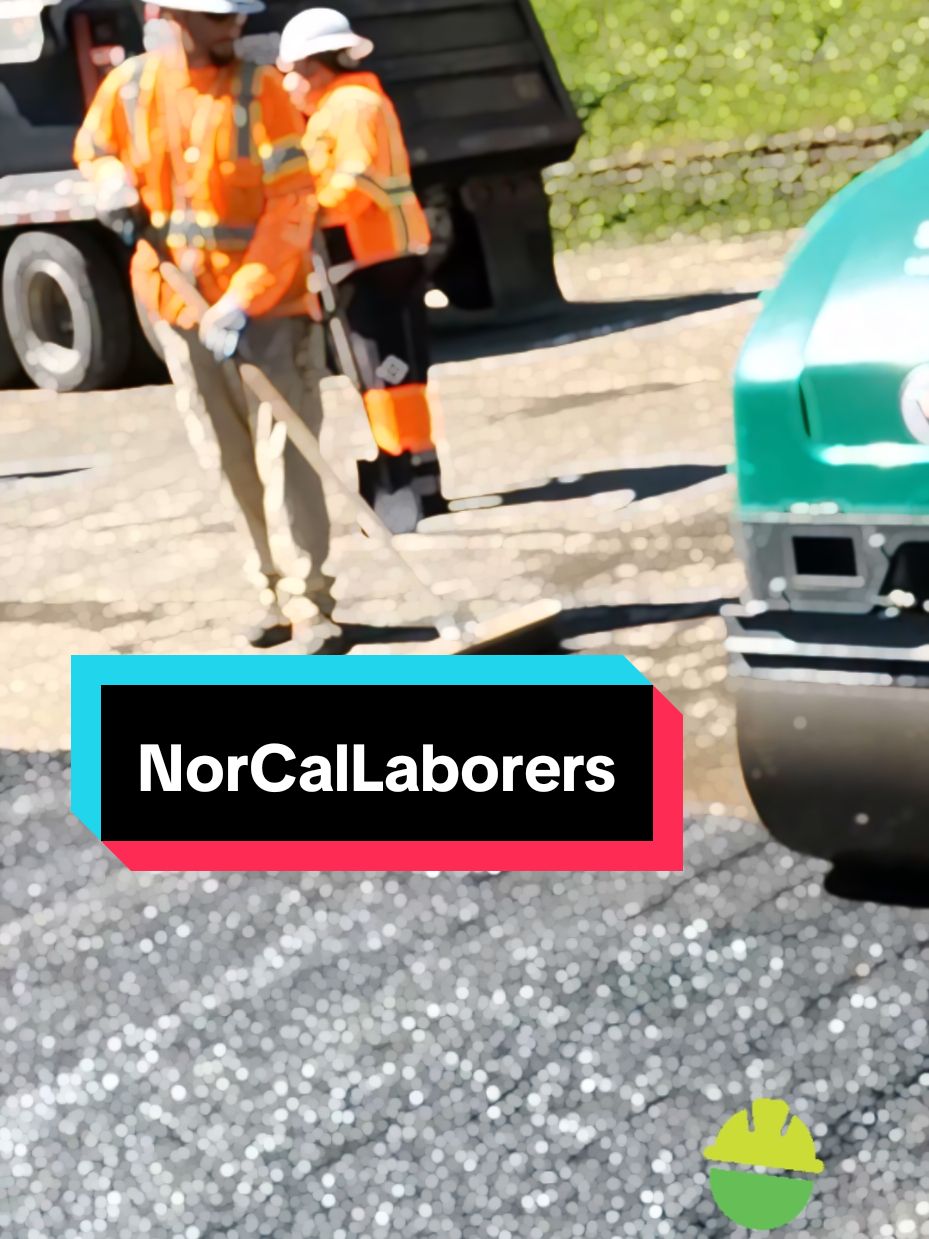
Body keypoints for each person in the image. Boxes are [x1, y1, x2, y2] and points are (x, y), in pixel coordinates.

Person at [74, 0, 346, 653]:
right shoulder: (132, 87)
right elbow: (94, 148)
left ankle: (311, 603)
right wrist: (110, 180)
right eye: (218, 18)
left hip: (266, 306)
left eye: (235, 17)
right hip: (175, 305)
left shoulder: (262, 95)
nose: (235, 28)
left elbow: (291, 203)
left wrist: (246, 294)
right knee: (225, 455)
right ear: (168, 14)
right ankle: (272, 593)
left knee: (286, 454)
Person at [277, 7, 447, 534]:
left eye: (291, 71)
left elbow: (355, 182)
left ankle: (402, 473)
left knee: (384, 375)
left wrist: (305, 217)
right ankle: (416, 474)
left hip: (373, 257)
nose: (287, 84)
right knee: (393, 376)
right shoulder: (346, 103)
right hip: (375, 255)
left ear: (313, 65)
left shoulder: (348, 107)